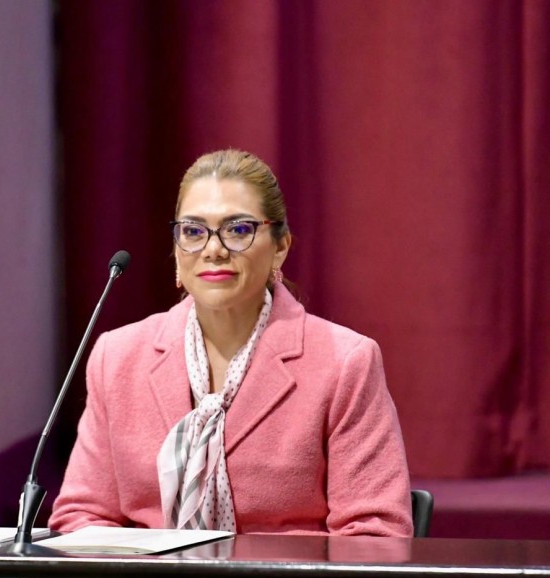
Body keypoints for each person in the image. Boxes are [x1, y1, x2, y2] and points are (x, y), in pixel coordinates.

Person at [49, 149, 413, 536]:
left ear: (280, 247)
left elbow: (375, 536)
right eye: (193, 231)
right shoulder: (118, 357)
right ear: (176, 250)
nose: (214, 249)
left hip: (288, 577)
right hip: (149, 577)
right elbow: (81, 518)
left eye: (238, 230)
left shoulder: (344, 363)